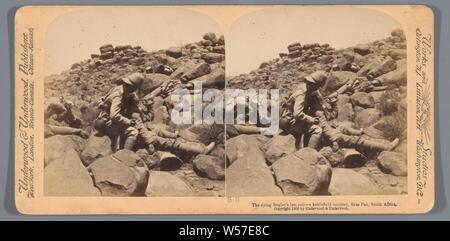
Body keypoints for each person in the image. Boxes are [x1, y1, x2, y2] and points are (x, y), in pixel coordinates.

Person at [93, 72, 145, 150]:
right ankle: (123, 155)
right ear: (132, 87)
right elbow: (114, 116)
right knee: (133, 132)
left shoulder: (119, 88)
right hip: (107, 123)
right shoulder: (118, 95)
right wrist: (129, 122)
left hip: (105, 117)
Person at [281, 70, 329, 149]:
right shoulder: (301, 94)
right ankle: (308, 154)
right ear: (315, 85)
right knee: (317, 130)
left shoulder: (305, 87)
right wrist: (312, 120)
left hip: (293, 118)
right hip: (291, 122)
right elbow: (297, 114)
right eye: (317, 86)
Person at [131, 113, 215, 155]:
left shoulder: (131, 110)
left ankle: (176, 136)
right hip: (142, 138)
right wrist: (150, 142)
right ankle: (202, 150)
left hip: (143, 134)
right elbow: (140, 130)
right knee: (173, 143)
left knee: (159, 130)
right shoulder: (132, 114)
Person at [315, 111, 399, 152]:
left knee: (342, 127)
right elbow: (323, 124)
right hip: (325, 135)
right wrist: (333, 139)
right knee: (355, 140)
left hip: (326, 130)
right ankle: (386, 147)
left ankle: (359, 132)